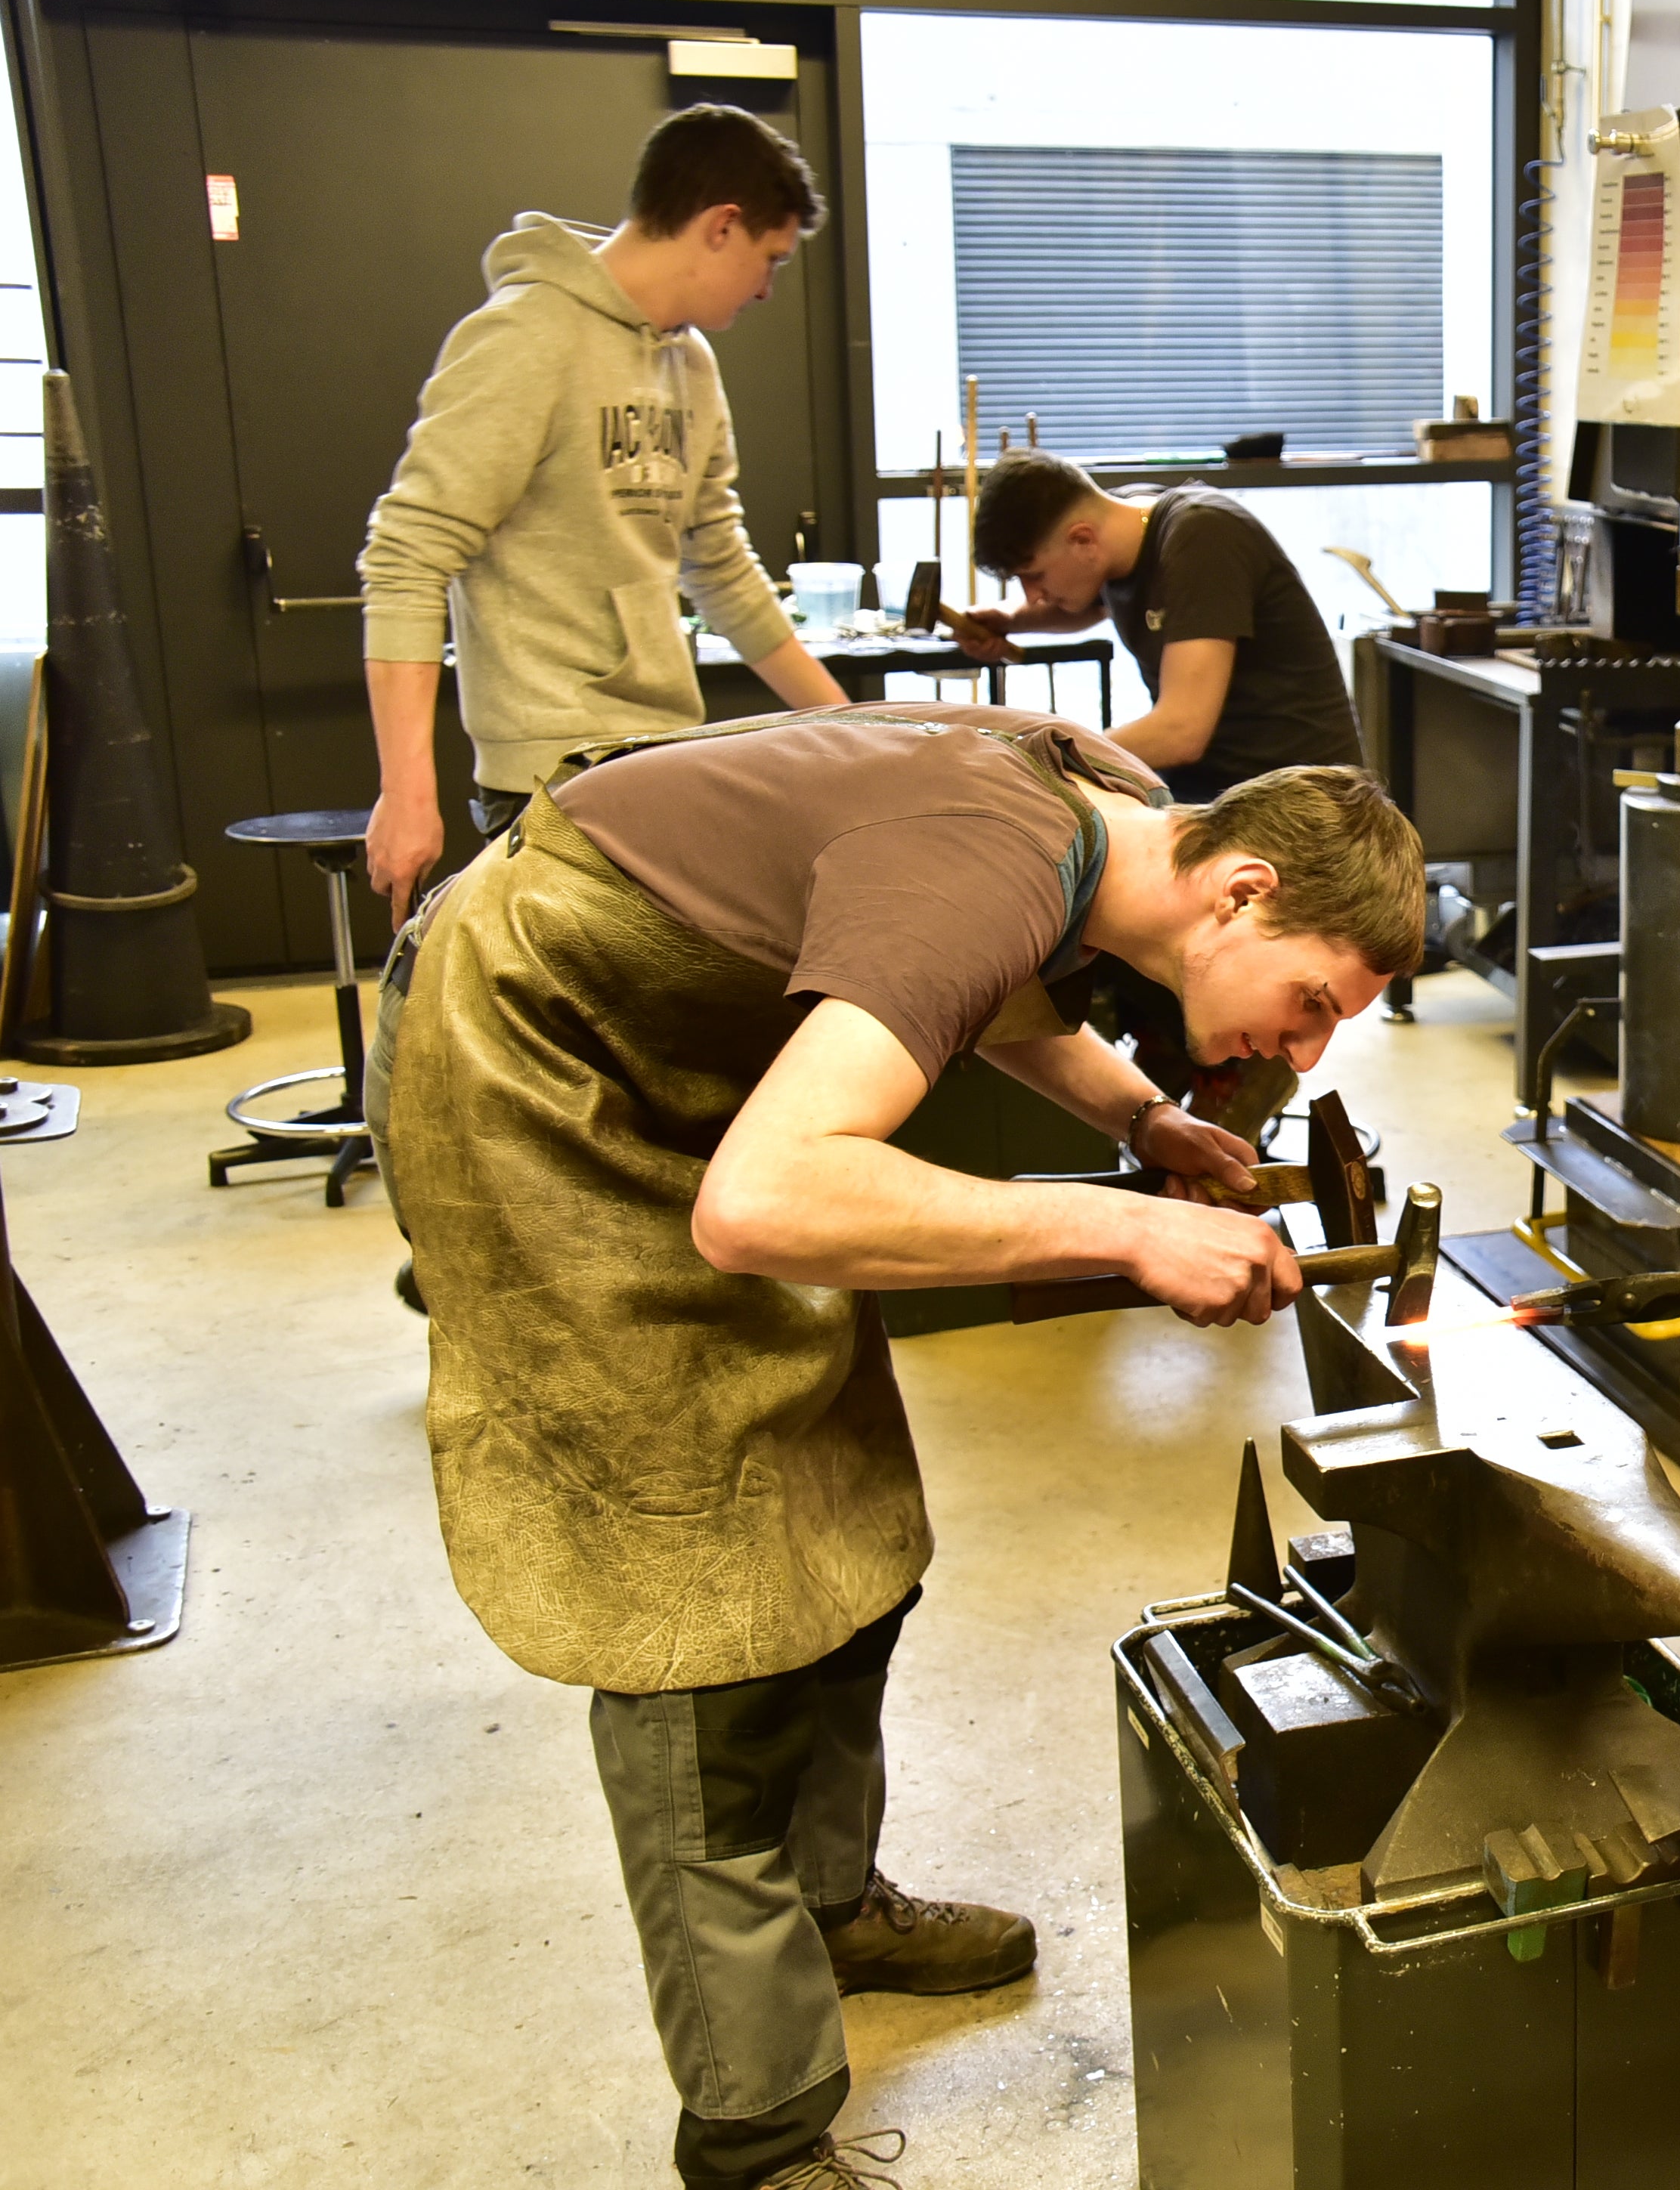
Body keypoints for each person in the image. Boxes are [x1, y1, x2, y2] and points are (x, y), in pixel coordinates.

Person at [367, 700, 1424, 2190]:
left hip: (694, 1062)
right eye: (1310, 1003)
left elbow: (978, 991)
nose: (1304, 1052)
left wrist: (1146, 1124)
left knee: (841, 1496)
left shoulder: (1112, 816)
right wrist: (1121, 1228)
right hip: (534, 1049)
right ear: (1242, 890)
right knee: (692, 1596)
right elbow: (762, 1200)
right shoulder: (991, 858)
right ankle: (755, 2136)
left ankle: (830, 1902)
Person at [358, 102, 853, 925]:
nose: (769, 288)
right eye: (770, 258)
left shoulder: (692, 363)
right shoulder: (524, 337)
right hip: (550, 775)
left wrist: (851, 725)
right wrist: (406, 792)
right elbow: (407, 556)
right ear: (721, 226)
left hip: (660, 750)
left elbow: (720, 564)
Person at [954, 449, 1364, 803]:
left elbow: (1180, 732)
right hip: (1217, 793)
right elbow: (1088, 604)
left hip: (1303, 804)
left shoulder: (1203, 536)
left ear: (1082, 540)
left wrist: (1046, 756)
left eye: (1034, 576)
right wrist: (1009, 621)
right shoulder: (1122, 526)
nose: (1033, 596)